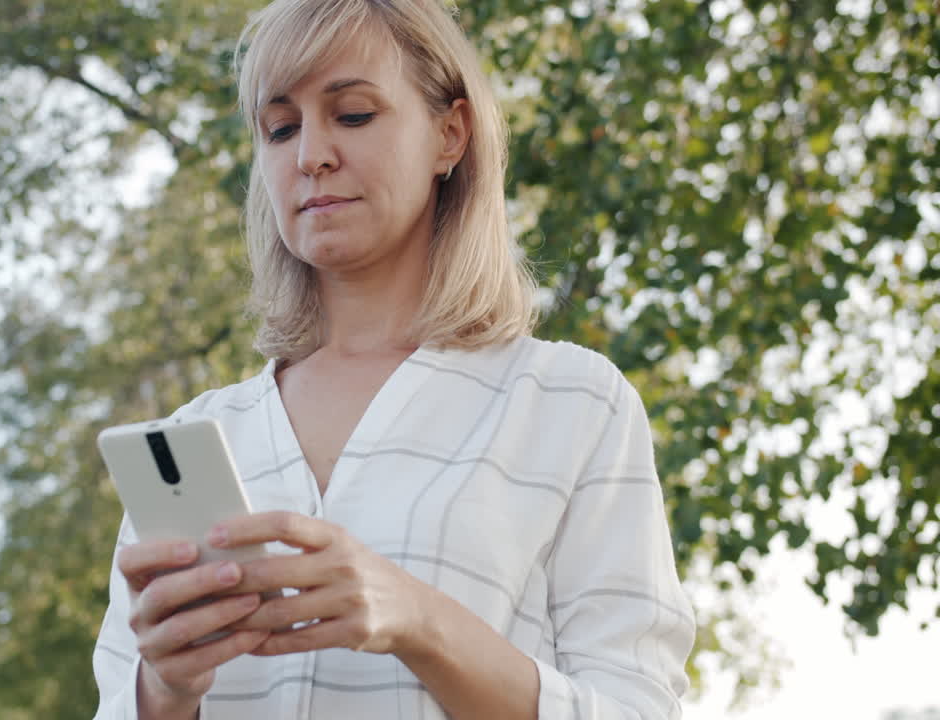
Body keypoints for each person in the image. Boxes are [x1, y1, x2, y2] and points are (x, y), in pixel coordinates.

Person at [92, 0, 696, 717]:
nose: (310, 154)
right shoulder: (191, 439)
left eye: (352, 115)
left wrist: (418, 620)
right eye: (280, 128)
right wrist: (165, 689)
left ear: (450, 134)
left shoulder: (572, 402)